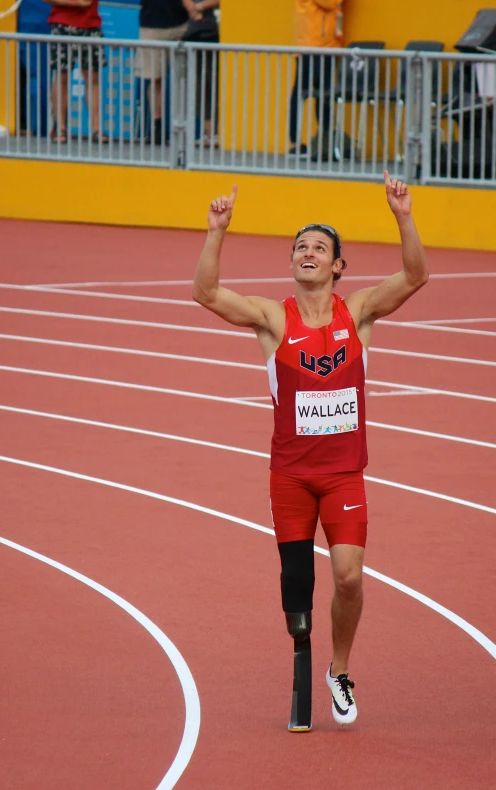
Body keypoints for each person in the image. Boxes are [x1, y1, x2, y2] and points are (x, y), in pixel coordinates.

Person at [192, 172, 429, 730]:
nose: (307, 252)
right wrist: (216, 232)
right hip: (291, 479)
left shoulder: (361, 312)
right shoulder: (275, 319)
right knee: (297, 592)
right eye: (300, 246)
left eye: (319, 248)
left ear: (338, 266)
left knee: (348, 577)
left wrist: (403, 216)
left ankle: (339, 669)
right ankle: (300, 643)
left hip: (345, 475)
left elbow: (417, 275)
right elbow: (205, 294)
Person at [138, 0, 201, 145]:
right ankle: (157, 127)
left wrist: (193, 9)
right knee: (154, 77)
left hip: (182, 25)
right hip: (151, 26)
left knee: (185, 78)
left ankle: (185, 126)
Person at [43, 0, 107, 143]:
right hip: (62, 24)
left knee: (93, 78)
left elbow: (87, 2)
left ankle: (97, 129)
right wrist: (76, 2)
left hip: (91, 25)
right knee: (61, 77)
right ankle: (60, 128)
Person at [289, 0, 345, 156]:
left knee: (324, 93)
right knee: (302, 92)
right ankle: (296, 142)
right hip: (312, 45)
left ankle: (325, 138)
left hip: (326, 45)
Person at [182, 0, 220, 149]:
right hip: (194, 34)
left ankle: (218, 133)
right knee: (200, 87)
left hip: (217, 36)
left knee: (216, 85)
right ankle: (208, 133)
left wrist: (200, 7)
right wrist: (191, 8)